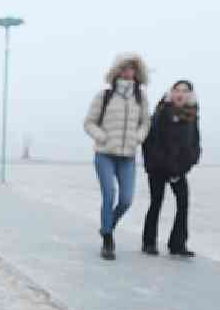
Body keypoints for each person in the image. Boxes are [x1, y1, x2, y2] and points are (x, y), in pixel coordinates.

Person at [83, 52, 151, 260]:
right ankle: (108, 241)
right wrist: (102, 137)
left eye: (132, 68)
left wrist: (137, 138)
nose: (128, 72)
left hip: (128, 156)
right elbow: (89, 123)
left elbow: (146, 123)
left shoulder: (141, 97)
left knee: (126, 199)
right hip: (105, 155)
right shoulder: (104, 96)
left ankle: (107, 226)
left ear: (137, 72)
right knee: (109, 194)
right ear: (116, 71)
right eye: (124, 67)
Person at [141, 80, 201, 257]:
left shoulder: (192, 115)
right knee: (156, 202)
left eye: (184, 91)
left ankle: (177, 244)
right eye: (177, 90)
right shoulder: (161, 112)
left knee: (183, 203)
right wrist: (158, 165)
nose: (180, 94)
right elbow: (151, 141)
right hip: (158, 167)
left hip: (179, 169)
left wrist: (190, 161)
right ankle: (149, 242)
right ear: (171, 93)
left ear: (189, 95)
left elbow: (194, 142)